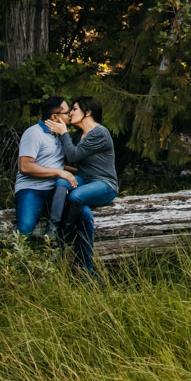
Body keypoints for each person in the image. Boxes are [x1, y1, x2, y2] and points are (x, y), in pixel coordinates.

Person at [53, 97, 117, 272]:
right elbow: (68, 160)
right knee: (65, 186)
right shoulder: (76, 136)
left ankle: (62, 237)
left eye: (74, 109)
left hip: (104, 184)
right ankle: (84, 267)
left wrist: (63, 132)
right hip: (85, 181)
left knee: (76, 196)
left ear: (87, 112)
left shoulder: (99, 133)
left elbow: (73, 156)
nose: (70, 113)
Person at [14, 96, 77, 237]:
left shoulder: (59, 135)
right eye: (67, 113)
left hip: (55, 190)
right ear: (55, 117)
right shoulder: (34, 133)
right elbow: (25, 166)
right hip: (32, 189)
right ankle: (22, 257)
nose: (70, 115)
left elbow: (55, 164)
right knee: (25, 229)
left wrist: (76, 171)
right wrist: (60, 173)